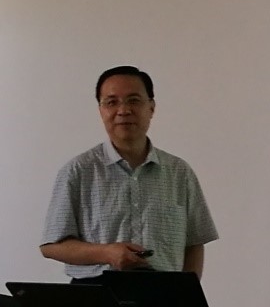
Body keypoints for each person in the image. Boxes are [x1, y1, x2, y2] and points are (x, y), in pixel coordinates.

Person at [40, 66, 218, 280]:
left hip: (163, 292)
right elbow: (52, 246)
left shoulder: (180, 173)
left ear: (151, 107)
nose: (123, 110)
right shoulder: (78, 171)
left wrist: (187, 294)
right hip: (95, 292)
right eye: (111, 102)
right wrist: (106, 253)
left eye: (133, 100)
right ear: (101, 110)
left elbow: (195, 243)